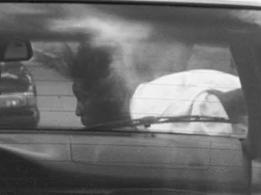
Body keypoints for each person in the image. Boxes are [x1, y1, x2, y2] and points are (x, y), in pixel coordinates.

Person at [69, 44, 242, 134]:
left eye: (83, 97)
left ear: (106, 88)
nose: (77, 111)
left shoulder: (152, 109)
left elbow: (242, 100)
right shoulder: (149, 103)